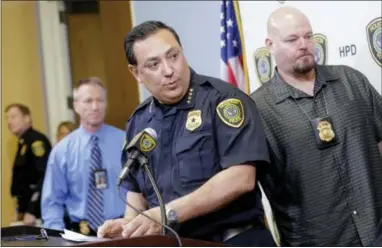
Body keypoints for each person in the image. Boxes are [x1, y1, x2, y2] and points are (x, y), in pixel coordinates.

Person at [97, 21, 276, 246]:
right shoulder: (139, 121)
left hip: (233, 240)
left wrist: (167, 213)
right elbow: (137, 194)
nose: (169, 70)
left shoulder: (223, 100)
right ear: (136, 73)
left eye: (173, 56)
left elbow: (241, 178)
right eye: (154, 64)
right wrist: (129, 226)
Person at [250, 6, 382, 247]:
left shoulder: (351, 81)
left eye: (308, 36)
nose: (304, 44)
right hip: (316, 240)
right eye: (292, 39)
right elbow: (251, 186)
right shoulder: (258, 108)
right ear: (270, 45)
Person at [41, 77, 126, 235]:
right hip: (80, 235)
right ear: (76, 106)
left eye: (100, 100)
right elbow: (52, 202)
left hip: (123, 232)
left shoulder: (125, 142)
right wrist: (55, 241)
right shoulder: (62, 151)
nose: (95, 107)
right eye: (88, 101)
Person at [5, 103, 52, 226]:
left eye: (13, 117)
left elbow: (45, 177)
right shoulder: (23, 143)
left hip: (39, 211)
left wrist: (32, 210)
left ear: (27, 118)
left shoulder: (36, 141)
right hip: (27, 211)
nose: (9, 122)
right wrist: (21, 210)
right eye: (7, 118)